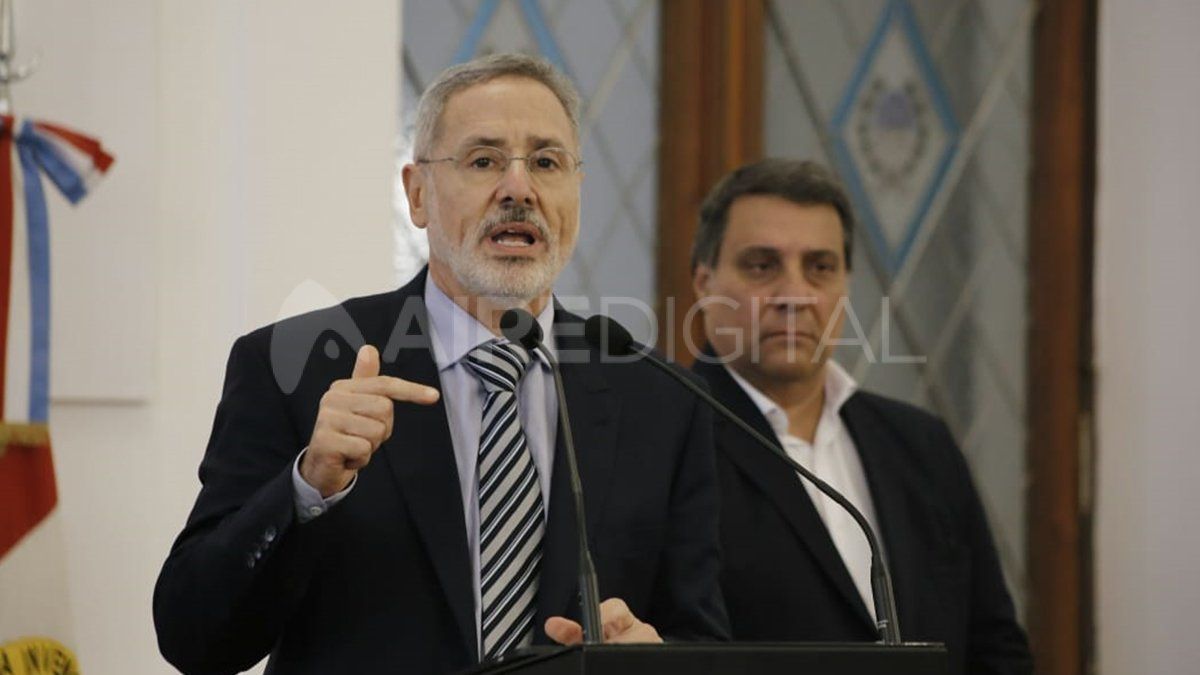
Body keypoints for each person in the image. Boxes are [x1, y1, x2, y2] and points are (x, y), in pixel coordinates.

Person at [154, 54, 728, 674]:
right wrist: (306, 486)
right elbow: (195, 639)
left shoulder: (661, 398)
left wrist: (656, 663)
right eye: (483, 161)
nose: (519, 189)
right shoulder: (295, 366)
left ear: (576, 193)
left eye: (546, 162)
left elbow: (703, 641)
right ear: (417, 193)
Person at [689, 159, 1032, 675]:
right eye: (762, 266)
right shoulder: (665, 441)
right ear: (704, 283)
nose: (795, 296)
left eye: (820, 267)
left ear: (845, 286)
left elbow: (994, 647)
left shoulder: (920, 444)